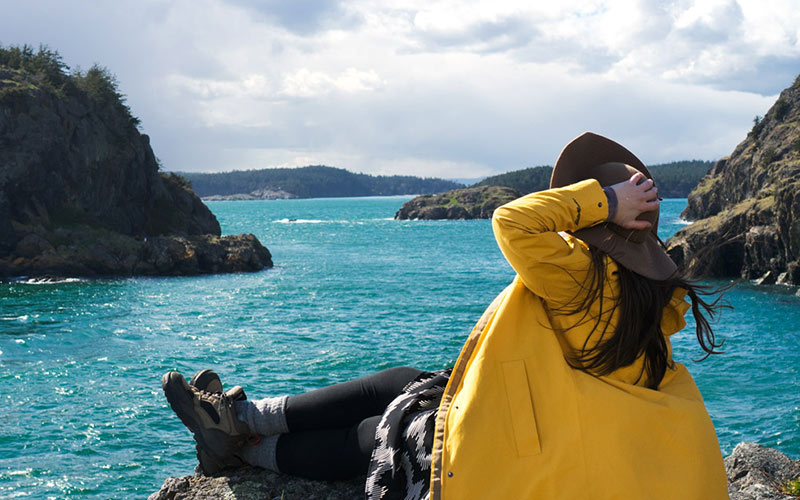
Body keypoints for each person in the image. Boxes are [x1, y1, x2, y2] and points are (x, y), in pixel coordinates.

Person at [162, 132, 730, 499]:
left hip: (518, 450)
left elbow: (512, 221)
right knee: (404, 382)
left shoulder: (581, 274)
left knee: (384, 432)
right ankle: (238, 419)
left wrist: (606, 199)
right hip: (546, 417)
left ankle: (239, 447)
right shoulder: (650, 296)